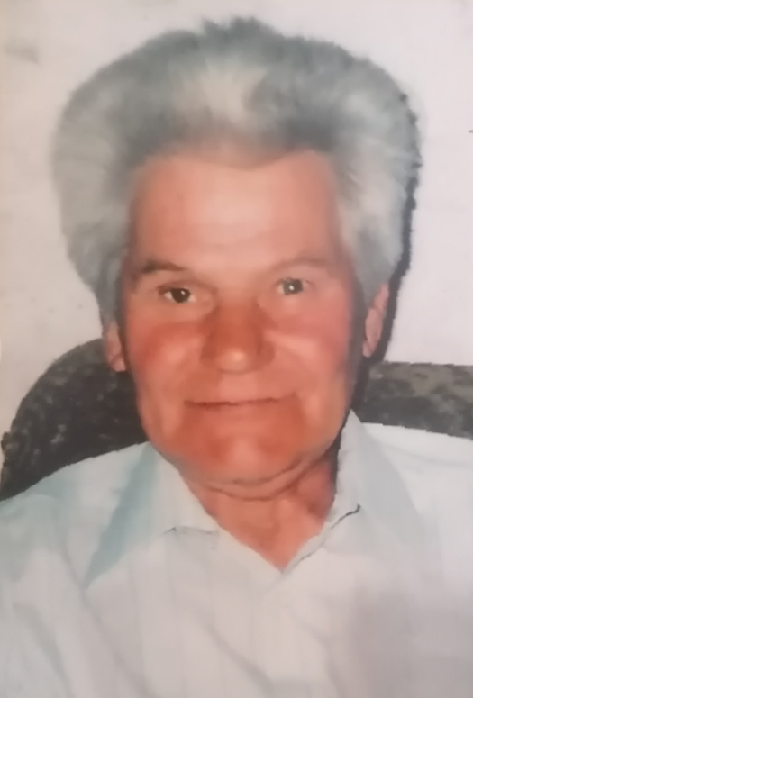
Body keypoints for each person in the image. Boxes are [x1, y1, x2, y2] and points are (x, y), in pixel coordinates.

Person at [0, 18, 472, 697]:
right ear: (114, 326)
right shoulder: (20, 587)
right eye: (181, 292)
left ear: (370, 315)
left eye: (290, 285)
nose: (236, 349)